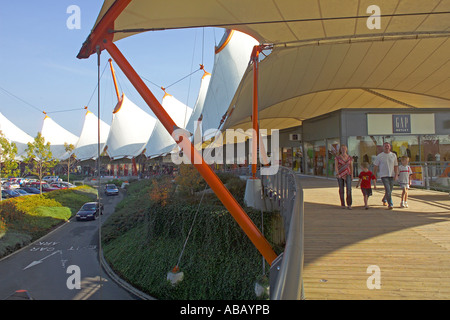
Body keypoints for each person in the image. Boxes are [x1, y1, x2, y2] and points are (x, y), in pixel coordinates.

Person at [373, 142, 398, 210]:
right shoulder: (380, 156)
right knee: (387, 189)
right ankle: (390, 204)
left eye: (388, 146)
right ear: (383, 147)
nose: (387, 147)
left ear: (390, 147)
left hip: (391, 175)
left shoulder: (393, 155)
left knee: (390, 190)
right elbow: (376, 166)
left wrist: (396, 174)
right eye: (385, 146)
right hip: (384, 175)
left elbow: (396, 166)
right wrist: (374, 175)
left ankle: (384, 199)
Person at [335, 145, 353, 210]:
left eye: (345, 148)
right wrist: (338, 174)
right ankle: (343, 203)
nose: (343, 149)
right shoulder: (337, 158)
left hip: (348, 174)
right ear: (340, 149)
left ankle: (349, 204)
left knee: (349, 189)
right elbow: (336, 166)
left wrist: (352, 174)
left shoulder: (349, 157)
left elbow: (351, 166)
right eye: (342, 148)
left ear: (346, 149)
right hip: (340, 174)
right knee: (341, 189)